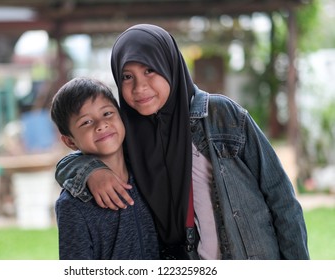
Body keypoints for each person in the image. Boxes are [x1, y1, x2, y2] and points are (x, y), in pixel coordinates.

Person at [55, 24, 309, 260]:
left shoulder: (220, 115)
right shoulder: (129, 136)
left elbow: (281, 198)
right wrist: (90, 170)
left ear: (169, 64)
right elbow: (84, 152)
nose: (140, 86)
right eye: (127, 77)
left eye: (149, 70)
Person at [50, 77, 159, 260]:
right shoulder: (72, 205)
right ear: (70, 141)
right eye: (86, 122)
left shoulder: (146, 170)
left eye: (107, 113)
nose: (101, 125)